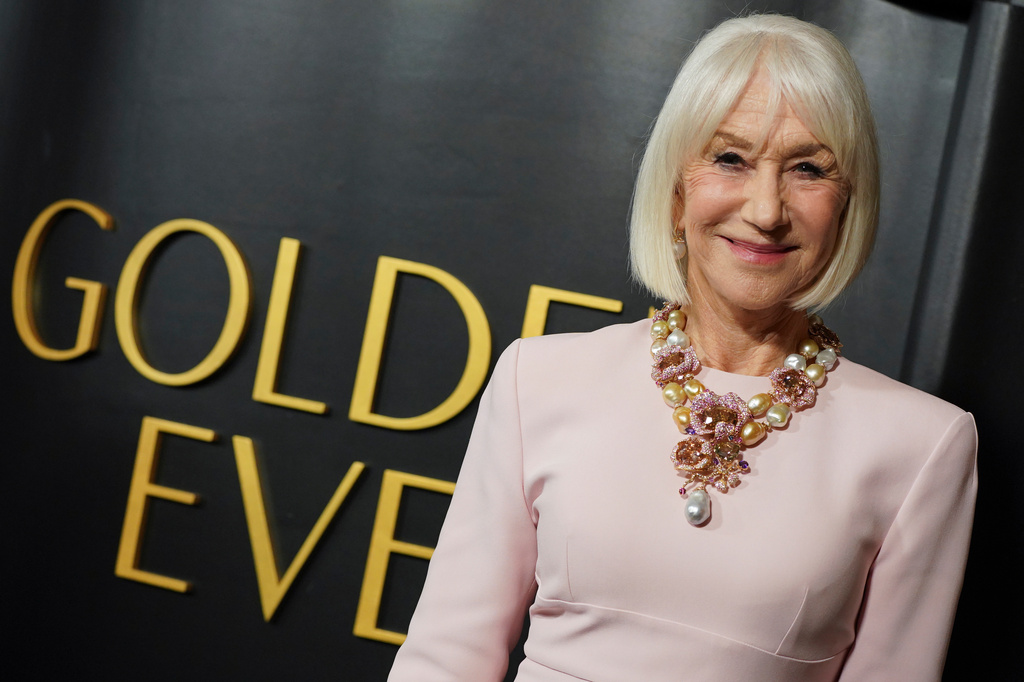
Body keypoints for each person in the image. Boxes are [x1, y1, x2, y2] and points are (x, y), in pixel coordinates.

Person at [388, 13, 977, 682]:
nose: (766, 209)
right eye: (731, 158)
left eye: (808, 169)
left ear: (847, 205)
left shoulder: (924, 446)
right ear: (675, 189)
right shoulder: (539, 379)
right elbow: (445, 660)